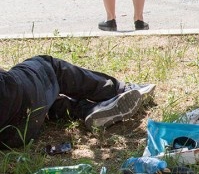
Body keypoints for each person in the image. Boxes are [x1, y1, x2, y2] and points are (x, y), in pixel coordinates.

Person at [0, 55, 155, 149]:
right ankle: (119, 89)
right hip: (19, 99)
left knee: (43, 97)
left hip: (12, 137)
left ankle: (89, 110)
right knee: (48, 66)